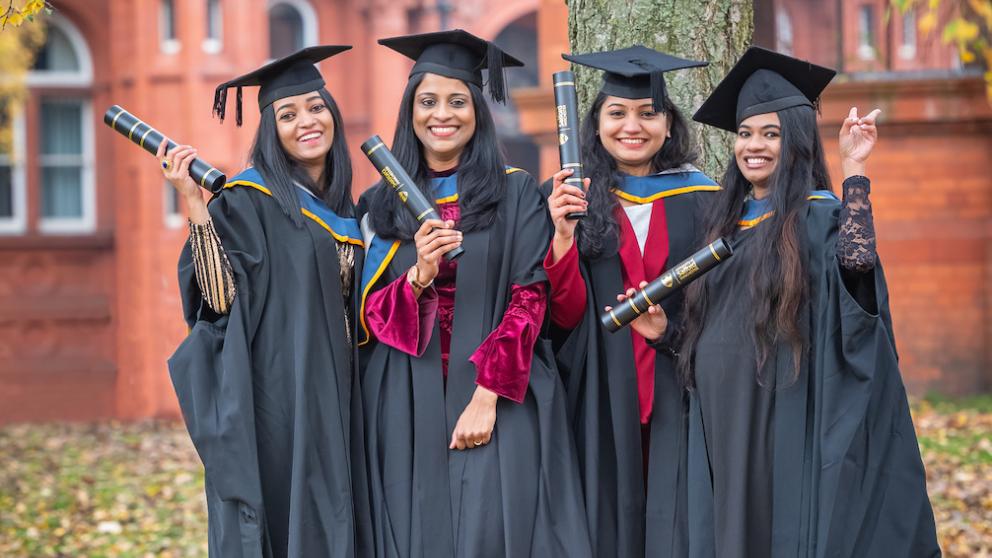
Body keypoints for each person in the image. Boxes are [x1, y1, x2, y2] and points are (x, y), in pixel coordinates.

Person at [674, 46, 940, 557]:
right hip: (723, 416)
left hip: (786, 407)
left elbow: (857, 269)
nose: (754, 146)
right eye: (746, 133)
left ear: (794, 142)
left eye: (770, 134)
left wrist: (855, 171)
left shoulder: (818, 217)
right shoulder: (721, 225)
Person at [357, 29, 592, 558]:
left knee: (494, 529)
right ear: (410, 111)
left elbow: (530, 298)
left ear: (478, 112)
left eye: (458, 101)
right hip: (404, 400)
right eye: (428, 101)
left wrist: (485, 397)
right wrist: (419, 272)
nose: (443, 114)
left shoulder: (514, 191)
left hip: (498, 395)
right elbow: (370, 319)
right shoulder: (378, 203)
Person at [164, 46, 372, 558]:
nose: (307, 121)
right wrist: (194, 206)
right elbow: (219, 301)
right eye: (288, 113)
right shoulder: (247, 199)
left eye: (316, 107)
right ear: (270, 129)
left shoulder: (348, 206)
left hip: (346, 393)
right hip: (281, 395)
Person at [541, 46, 718, 558]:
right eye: (616, 113)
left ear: (668, 124)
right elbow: (565, 315)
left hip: (680, 387)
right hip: (600, 390)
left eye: (647, 113)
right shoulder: (571, 199)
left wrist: (673, 332)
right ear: (595, 124)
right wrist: (560, 239)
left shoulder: (704, 198)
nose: (632, 126)